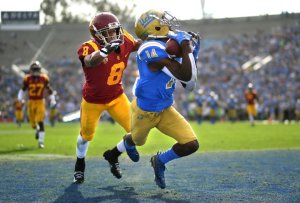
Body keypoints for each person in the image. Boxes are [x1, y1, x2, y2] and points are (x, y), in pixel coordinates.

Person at [109, 10, 201, 189]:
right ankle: (128, 141)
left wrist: (190, 55)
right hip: (144, 110)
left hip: (165, 109)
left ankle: (159, 160)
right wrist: (185, 51)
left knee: (191, 144)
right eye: (163, 21)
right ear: (154, 27)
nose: (169, 24)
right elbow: (185, 74)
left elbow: (188, 84)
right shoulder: (149, 49)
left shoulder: (165, 46)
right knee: (138, 141)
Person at [73, 12, 141, 184]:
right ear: (97, 35)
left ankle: (113, 155)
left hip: (116, 97)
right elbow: (89, 61)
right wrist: (104, 51)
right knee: (86, 136)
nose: (113, 35)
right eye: (107, 32)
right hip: (92, 101)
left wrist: (154, 37)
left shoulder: (124, 38)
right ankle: (79, 163)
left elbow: (138, 45)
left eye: (114, 31)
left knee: (137, 131)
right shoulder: (89, 46)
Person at [17, 61, 56, 148]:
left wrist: (52, 99)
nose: (35, 71)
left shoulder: (44, 78)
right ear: (31, 70)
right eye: (34, 69)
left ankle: (41, 142)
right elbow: (23, 89)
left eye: (37, 69)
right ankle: (37, 129)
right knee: (33, 125)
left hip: (40, 101)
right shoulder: (27, 78)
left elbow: (49, 90)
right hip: (31, 102)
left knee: (40, 121)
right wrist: (20, 98)